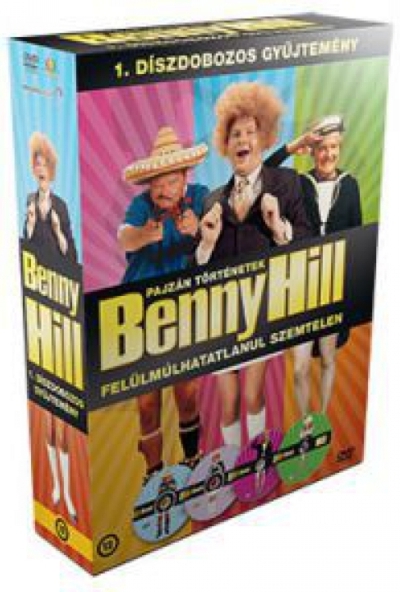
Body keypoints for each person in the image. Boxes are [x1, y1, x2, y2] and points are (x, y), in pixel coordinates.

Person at [195, 82, 310, 449]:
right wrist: (206, 243)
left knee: (252, 395)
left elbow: (308, 239)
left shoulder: (286, 183)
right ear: (225, 145)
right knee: (228, 402)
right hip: (221, 312)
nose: (243, 139)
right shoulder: (213, 200)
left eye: (250, 132)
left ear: (264, 138)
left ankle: (258, 462)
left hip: (263, 305)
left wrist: (279, 228)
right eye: (235, 134)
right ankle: (232, 467)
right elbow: (196, 269)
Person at [119, 126, 209, 483]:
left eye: (170, 180)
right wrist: (144, 234)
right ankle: (153, 476)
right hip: (139, 311)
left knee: (186, 392)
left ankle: (192, 462)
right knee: (146, 402)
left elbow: (217, 232)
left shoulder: (201, 197)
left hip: (183, 307)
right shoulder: (142, 206)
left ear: (185, 178)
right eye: (156, 182)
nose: (163, 189)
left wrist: (198, 228)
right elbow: (124, 237)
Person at [269, 115, 362, 417]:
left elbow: (357, 239)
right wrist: (292, 146)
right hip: (302, 287)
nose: (329, 154)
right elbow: (264, 173)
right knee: (299, 369)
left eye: (334, 147)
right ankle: (305, 424)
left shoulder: (350, 186)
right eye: (322, 148)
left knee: (328, 359)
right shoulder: (299, 184)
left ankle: (320, 418)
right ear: (312, 150)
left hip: (333, 286)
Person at [24, 132, 77, 263]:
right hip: (35, 268)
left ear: (51, 169)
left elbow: (70, 252)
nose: (41, 169)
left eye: (45, 165)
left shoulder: (61, 205)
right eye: (38, 164)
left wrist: (57, 230)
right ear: (33, 168)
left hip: (56, 270)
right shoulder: (30, 200)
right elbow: (26, 242)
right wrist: (30, 223)